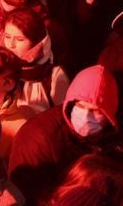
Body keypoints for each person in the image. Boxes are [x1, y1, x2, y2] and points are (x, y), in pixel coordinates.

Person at [9, 64, 120, 204]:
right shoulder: (38, 137)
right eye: (80, 106)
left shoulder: (113, 136)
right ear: (70, 102)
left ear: (109, 115)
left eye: (95, 111)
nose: (85, 115)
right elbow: (25, 194)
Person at [0, 6, 70, 113]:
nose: (11, 45)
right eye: (7, 37)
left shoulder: (54, 76)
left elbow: (62, 117)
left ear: (36, 42)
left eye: (19, 39)